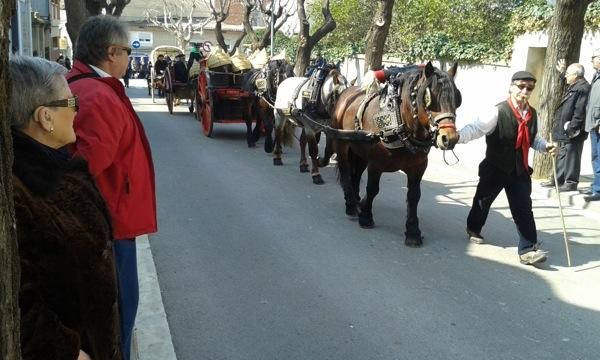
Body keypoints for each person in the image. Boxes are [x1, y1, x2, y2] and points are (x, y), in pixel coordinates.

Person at [9, 56, 122, 360]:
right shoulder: (18, 193)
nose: (76, 110)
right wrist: (68, 352)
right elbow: (19, 298)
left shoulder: (56, 169)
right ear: (45, 117)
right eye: (71, 103)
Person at [66, 15, 158, 360]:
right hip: (111, 223)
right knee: (119, 314)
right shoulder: (97, 95)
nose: (129, 58)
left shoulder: (88, 87)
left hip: (110, 218)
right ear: (109, 53)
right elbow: (84, 168)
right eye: (126, 51)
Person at [457, 71, 557, 266]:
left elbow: (533, 138)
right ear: (511, 87)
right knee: (483, 201)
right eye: (521, 86)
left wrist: (545, 146)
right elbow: (477, 129)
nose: (525, 91)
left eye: (529, 88)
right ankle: (473, 228)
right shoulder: (497, 111)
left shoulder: (532, 114)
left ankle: (528, 249)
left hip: (519, 170)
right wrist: (457, 137)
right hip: (495, 167)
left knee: (523, 208)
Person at [540, 60, 590, 192]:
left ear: (576, 75)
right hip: (564, 129)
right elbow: (567, 78)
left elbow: (580, 111)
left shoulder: (582, 88)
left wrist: (572, 128)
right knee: (562, 153)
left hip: (574, 129)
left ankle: (570, 182)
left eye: (568, 74)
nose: (566, 76)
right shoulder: (575, 85)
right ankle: (558, 179)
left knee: (572, 155)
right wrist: (562, 72)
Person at [583, 48, 600, 201]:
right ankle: (596, 186)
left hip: (598, 123)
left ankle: (598, 190)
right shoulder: (596, 76)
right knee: (595, 157)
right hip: (594, 124)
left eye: (593, 57)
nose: (591, 60)